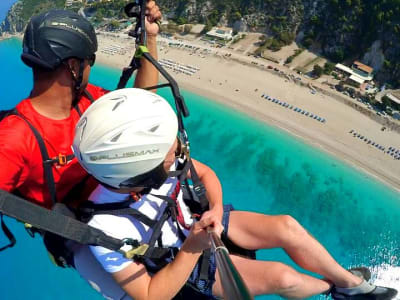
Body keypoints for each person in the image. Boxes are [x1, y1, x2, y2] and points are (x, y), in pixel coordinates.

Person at [72, 88, 397, 300]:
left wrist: (214, 208)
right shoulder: (104, 228)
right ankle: (331, 290)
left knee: (287, 226)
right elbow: (151, 294)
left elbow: (206, 174)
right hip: (184, 262)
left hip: (203, 221)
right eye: (170, 155)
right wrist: (191, 248)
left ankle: (352, 285)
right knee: (282, 277)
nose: (179, 154)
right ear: (143, 174)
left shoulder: (162, 164)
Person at [0, 3, 161, 209]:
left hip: (114, 205)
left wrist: (150, 37)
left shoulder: (88, 98)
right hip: (82, 234)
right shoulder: (13, 138)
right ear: (74, 66)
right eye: (90, 60)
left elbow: (142, 103)